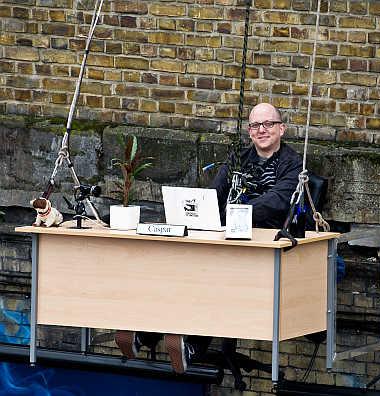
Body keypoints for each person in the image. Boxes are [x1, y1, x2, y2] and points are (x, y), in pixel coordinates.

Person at [115, 102, 302, 373]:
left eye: (268, 124)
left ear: (281, 128)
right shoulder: (239, 158)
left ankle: (189, 345)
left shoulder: (293, 164)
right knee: (182, 267)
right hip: (229, 239)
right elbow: (214, 195)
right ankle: (147, 333)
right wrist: (197, 212)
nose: (261, 130)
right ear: (249, 131)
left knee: (216, 279)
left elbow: (277, 201)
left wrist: (235, 214)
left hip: (266, 246)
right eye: (255, 126)